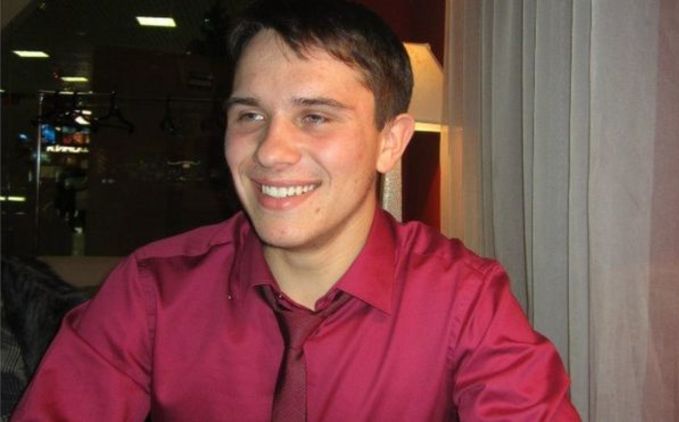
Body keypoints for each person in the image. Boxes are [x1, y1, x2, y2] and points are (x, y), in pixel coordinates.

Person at [12, 0, 580, 420]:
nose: (270, 151)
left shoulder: (465, 298)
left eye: (315, 116)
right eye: (250, 116)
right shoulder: (150, 290)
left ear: (390, 142)